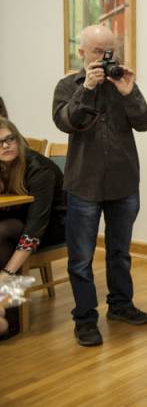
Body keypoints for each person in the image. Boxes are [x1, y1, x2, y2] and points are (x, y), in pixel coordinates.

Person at [52, 24, 147, 347]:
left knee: (120, 253)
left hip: (124, 182)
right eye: (98, 51)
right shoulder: (67, 86)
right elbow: (66, 122)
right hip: (84, 184)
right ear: (82, 52)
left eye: (111, 51)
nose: (106, 57)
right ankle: (85, 319)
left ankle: (121, 305)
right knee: (81, 259)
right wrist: (87, 88)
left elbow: (145, 122)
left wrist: (130, 93)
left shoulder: (122, 82)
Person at [0, 117, 66, 337]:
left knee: (3, 233)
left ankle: (11, 320)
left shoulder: (39, 169)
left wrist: (7, 272)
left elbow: (35, 227)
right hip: (19, 221)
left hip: (54, 227)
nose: (6, 145)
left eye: (10, 139)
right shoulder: (3, 165)